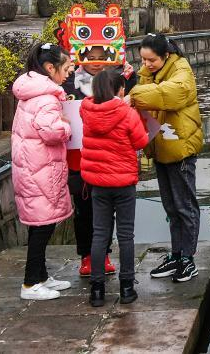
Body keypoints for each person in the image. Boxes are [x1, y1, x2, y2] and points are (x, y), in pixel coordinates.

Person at [128, 33, 203, 283]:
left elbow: (172, 94)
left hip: (180, 148)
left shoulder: (182, 69)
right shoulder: (149, 72)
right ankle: (176, 253)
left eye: (152, 60)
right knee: (171, 207)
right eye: (144, 60)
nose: (147, 64)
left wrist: (136, 95)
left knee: (185, 206)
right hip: (160, 147)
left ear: (166, 55)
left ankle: (188, 258)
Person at [62, 46, 138, 279]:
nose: (96, 62)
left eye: (102, 57)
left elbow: (133, 100)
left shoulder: (117, 80)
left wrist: (131, 78)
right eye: (90, 58)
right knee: (84, 211)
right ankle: (86, 256)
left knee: (108, 214)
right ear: (80, 59)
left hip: (109, 162)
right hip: (80, 159)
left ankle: (103, 254)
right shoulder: (69, 83)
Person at [79, 69, 149, 307]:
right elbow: (141, 141)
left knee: (99, 234)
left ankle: (97, 290)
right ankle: (127, 287)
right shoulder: (126, 113)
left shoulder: (86, 111)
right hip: (123, 183)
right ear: (120, 90)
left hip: (98, 183)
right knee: (126, 235)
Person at [11, 42, 74, 301]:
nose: (69, 73)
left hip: (33, 168)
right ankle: (29, 284)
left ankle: (41, 276)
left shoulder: (32, 93)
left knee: (41, 225)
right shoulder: (47, 98)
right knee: (42, 228)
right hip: (41, 171)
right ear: (51, 68)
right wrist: (67, 125)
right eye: (67, 68)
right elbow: (51, 132)